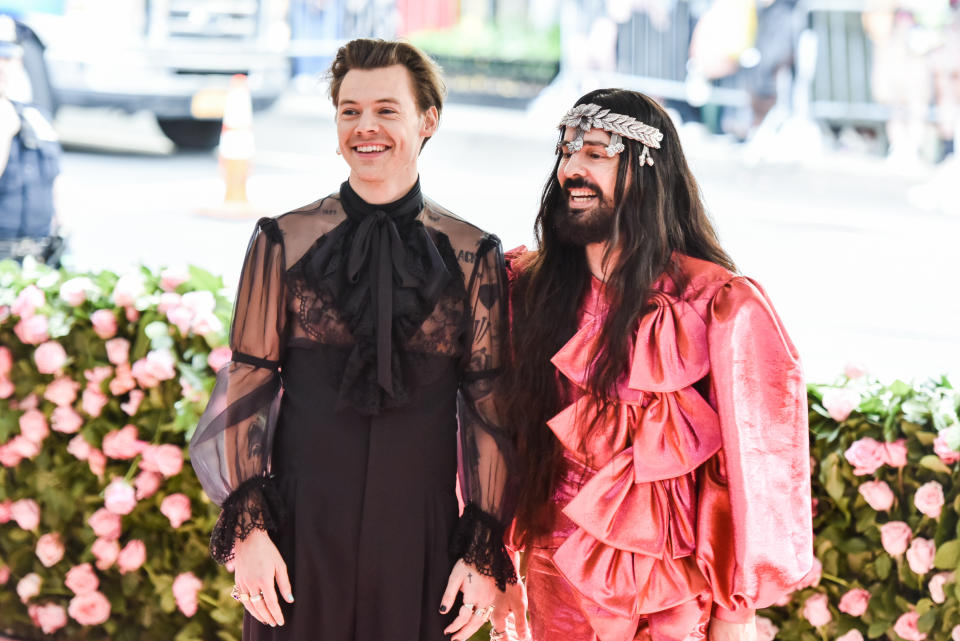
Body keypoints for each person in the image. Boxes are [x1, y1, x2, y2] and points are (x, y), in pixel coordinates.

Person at [189, 38, 525, 641]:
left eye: (386, 110)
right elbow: (247, 386)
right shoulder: (281, 240)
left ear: (428, 120)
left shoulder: (475, 254)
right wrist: (252, 534)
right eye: (349, 110)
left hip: (421, 540)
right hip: (299, 536)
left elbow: (489, 413)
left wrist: (480, 552)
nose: (365, 127)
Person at [501, 89, 812, 641]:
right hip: (552, 575)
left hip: (668, 592)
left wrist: (735, 611)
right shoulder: (526, 288)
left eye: (596, 152)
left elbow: (755, 465)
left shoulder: (715, 303)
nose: (571, 167)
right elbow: (490, 432)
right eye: (567, 149)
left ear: (647, 170)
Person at [0, 14, 62, 264]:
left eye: (7, 55)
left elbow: (54, 180)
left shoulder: (35, 116)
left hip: (36, 263)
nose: (1, 64)